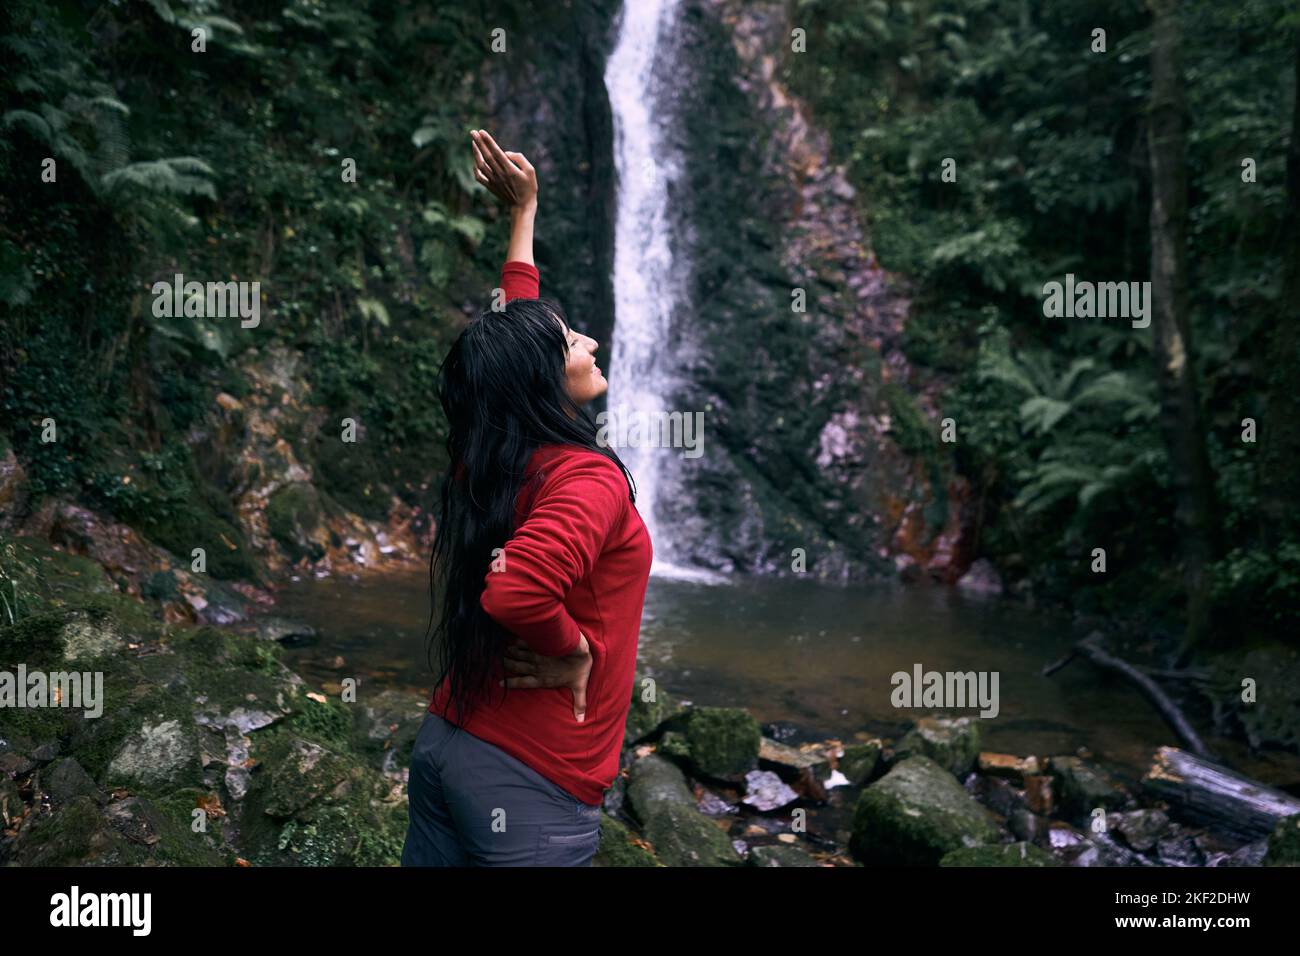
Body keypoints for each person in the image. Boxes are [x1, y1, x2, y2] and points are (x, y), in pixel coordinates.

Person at [401, 129, 653, 867]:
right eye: (573, 340)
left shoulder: (489, 459)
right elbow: (515, 593)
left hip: (449, 743)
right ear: (544, 380)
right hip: (531, 775)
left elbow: (510, 344)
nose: (592, 343)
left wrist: (524, 214)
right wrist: (573, 650)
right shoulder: (588, 479)